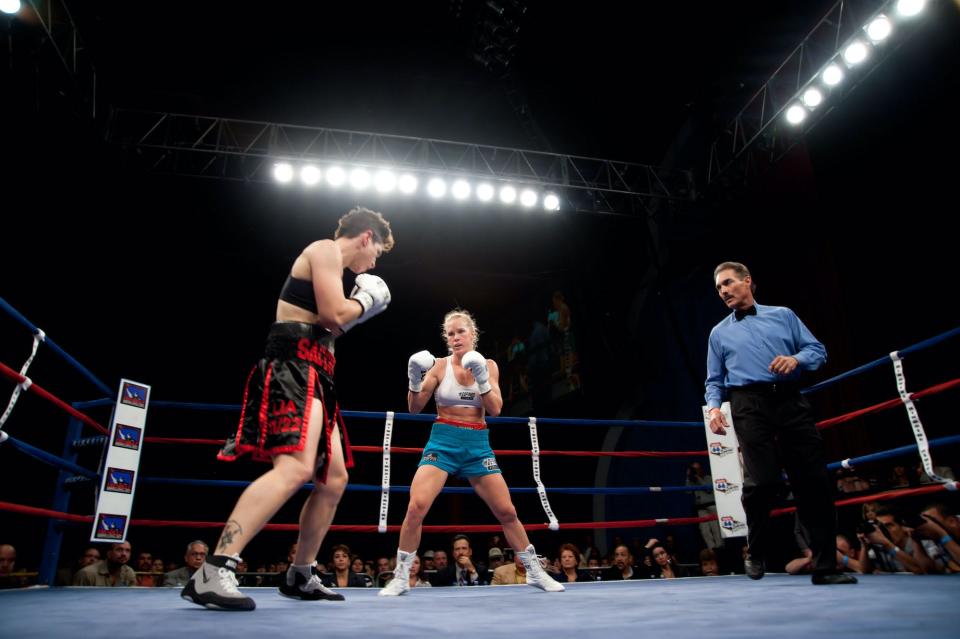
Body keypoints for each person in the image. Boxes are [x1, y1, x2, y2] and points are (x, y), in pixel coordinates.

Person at [181, 207, 394, 611]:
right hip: (293, 367)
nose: (374, 262)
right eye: (378, 251)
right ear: (367, 236)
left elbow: (331, 325)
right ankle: (214, 569)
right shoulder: (325, 250)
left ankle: (300, 573)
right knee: (294, 469)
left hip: (316, 374)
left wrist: (357, 305)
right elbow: (334, 318)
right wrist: (366, 301)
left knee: (333, 479)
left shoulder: (337, 273)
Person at [379, 309, 563, 596]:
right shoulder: (439, 367)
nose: (455, 338)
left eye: (460, 332)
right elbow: (414, 408)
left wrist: (482, 379)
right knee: (416, 506)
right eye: (450, 333)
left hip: (477, 444)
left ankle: (534, 572)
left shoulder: (487, 365)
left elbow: (496, 409)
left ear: (472, 334)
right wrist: (414, 378)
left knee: (507, 511)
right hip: (443, 441)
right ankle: (401, 577)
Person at [705, 261, 856, 586]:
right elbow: (714, 380)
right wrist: (715, 409)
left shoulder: (783, 315)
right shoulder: (718, 333)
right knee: (764, 482)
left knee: (813, 481)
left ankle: (826, 566)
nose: (724, 291)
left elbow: (817, 350)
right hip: (748, 403)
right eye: (719, 288)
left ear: (748, 281)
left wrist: (796, 359)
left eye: (729, 283)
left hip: (789, 399)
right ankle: (755, 551)